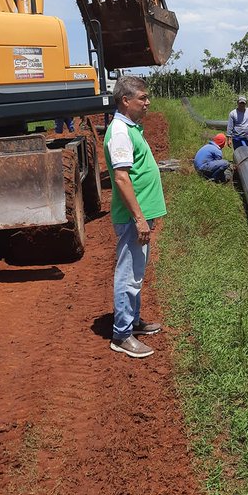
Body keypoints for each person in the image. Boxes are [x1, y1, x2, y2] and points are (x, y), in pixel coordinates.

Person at [103, 74, 166, 358]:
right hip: (132, 218)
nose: (147, 102)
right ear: (126, 101)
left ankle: (134, 321)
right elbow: (121, 178)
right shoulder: (120, 131)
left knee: (136, 272)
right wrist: (140, 218)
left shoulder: (131, 127)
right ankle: (122, 335)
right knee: (128, 274)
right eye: (143, 97)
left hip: (139, 216)